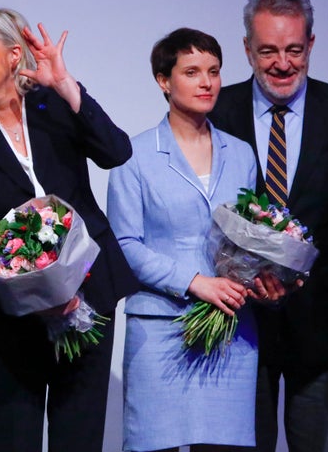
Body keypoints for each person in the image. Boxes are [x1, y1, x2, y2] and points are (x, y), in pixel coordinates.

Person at [0, 5, 138, 452]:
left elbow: (116, 151)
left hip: (89, 297)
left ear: (15, 56)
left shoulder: (55, 102)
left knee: (80, 441)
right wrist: (36, 295)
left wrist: (67, 86)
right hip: (8, 321)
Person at [107, 28, 262, 452]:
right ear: (163, 80)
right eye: (192, 72)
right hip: (161, 329)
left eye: (213, 71)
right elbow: (125, 244)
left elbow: (251, 235)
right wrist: (195, 281)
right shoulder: (131, 155)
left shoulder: (242, 153)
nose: (207, 82)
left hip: (231, 331)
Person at [209, 0, 328, 452]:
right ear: (247, 48)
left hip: (325, 335)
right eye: (268, 50)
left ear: (310, 45)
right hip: (235, 329)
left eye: (293, 49)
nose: (282, 64)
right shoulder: (213, 113)